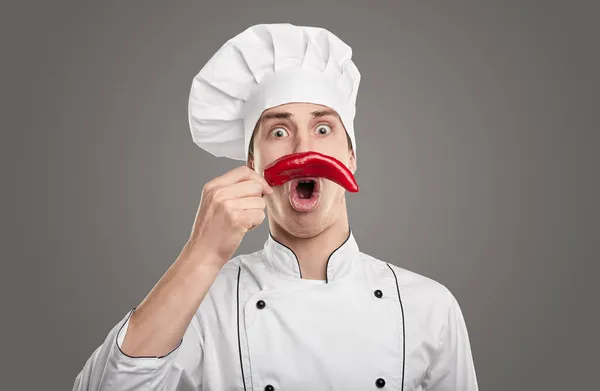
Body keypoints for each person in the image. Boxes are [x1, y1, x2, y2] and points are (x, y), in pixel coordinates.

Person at [72, 23, 479, 391]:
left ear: (352, 157)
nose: (303, 149)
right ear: (253, 166)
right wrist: (203, 253)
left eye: (323, 128)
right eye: (279, 131)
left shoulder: (429, 306)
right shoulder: (203, 301)